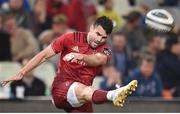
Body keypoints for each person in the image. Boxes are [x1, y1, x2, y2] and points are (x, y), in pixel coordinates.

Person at [0, 16, 137, 112]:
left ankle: (112, 95)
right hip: (61, 89)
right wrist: (21, 73)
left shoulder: (105, 48)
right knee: (84, 90)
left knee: (85, 90)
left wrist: (82, 57)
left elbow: (98, 60)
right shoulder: (70, 38)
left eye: (103, 37)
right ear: (91, 27)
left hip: (82, 97)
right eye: (97, 34)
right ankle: (113, 95)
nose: (99, 39)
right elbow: (43, 55)